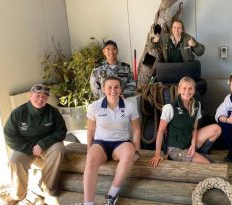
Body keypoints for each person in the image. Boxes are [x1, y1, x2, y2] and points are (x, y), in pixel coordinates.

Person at [3, 84, 67, 204]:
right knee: (14, 161)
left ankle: (48, 189)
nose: (40, 99)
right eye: (37, 95)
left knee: (59, 148)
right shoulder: (18, 113)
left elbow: (61, 131)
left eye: (44, 97)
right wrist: (30, 148)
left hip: (47, 146)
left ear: (47, 99)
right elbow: (9, 136)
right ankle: (17, 195)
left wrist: (42, 144)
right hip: (25, 147)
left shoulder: (53, 112)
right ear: (30, 95)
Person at [83, 76, 141, 205]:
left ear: (121, 89)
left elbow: (136, 130)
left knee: (130, 152)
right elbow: (91, 130)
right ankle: (88, 203)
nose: (113, 90)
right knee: (90, 159)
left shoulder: (129, 106)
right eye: (109, 87)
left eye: (116, 87)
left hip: (121, 144)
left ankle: (112, 195)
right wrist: (89, 150)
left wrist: (136, 151)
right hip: (100, 143)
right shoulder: (95, 106)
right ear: (104, 89)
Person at [149, 77, 221, 167]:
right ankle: (187, 157)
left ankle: (200, 152)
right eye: (184, 88)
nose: (187, 91)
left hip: (189, 142)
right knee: (206, 164)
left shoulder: (196, 104)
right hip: (175, 148)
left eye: (190, 88)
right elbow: (160, 131)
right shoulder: (170, 107)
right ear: (179, 89)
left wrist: (193, 144)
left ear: (194, 90)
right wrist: (157, 154)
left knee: (216, 129)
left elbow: (194, 128)